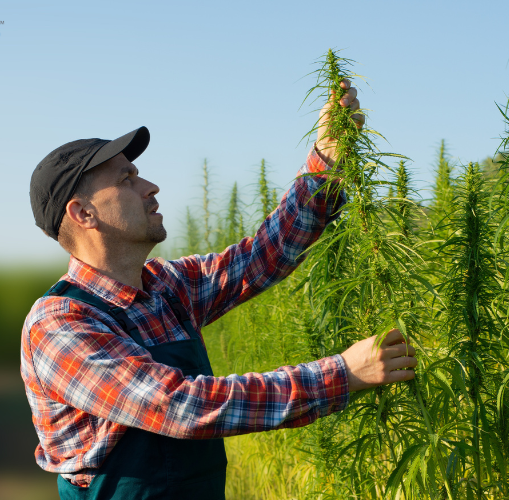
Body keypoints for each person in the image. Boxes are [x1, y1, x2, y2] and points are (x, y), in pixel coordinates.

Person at [21, 80, 417, 500]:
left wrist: (325, 162)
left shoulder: (166, 286)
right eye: (127, 180)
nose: (150, 187)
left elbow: (262, 256)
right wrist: (342, 374)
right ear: (83, 213)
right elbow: (178, 406)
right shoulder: (60, 324)